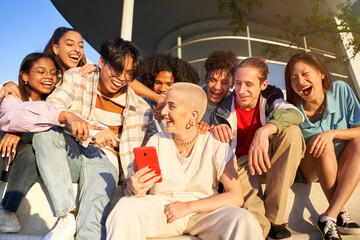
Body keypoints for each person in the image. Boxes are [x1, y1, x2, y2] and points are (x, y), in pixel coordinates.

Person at [106, 82, 263, 240]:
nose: (164, 111)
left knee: (244, 220)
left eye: (171, 106)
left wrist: (189, 207)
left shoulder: (216, 142)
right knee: (125, 206)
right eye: (165, 104)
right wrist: (135, 188)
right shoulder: (157, 140)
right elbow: (140, 189)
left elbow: (235, 196)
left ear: (193, 115)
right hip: (163, 209)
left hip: (205, 211)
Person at [32, 37, 152, 240]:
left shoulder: (141, 109)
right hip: (71, 147)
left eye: (128, 74)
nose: (120, 78)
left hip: (104, 158)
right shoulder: (77, 78)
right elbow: (51, 107)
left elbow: (155, 143)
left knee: (94, 212)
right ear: (102, 62)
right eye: (116, 69)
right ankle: (66, 215)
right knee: (45, 134)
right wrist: (91, 130)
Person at [211, 57, 305, 239]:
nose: (242, 90)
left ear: (263, 85)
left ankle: (275, 220)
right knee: (252, 216)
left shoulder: (271, 96)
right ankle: (259, 232)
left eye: (249, 84)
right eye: (237, 84)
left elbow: (295, 114)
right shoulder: (222, 112)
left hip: (268, 156)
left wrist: (263, 131)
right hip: (241, 164)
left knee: (292, 133)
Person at [0, 52, 93, 233]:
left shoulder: (56, 101)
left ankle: (7, 211)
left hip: (25, 162)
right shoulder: (13, 95)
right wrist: (16, 129)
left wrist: (20, 133)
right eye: (41, 72)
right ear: (25, 76)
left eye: (52, 73)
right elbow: (11, 116)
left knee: (32, 151)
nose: (48, 77)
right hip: (4, 155)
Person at [285, 52, 360, 240]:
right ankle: (338, 212)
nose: (300, 81)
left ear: (321, 74)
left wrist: (333, 133)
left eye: (305, 74)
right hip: (310, 169)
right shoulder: (292, 111)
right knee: (322, 143)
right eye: (294, 78)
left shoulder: (341, 90)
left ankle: (330, 215)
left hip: (340, 161)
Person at [0, 27, 163, 105]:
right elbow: (24, 90)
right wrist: (9, 84)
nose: (76, 50)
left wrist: (157, 98)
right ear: (56, 48)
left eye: (81, 46)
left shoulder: (87, 70)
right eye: (70, 44)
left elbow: (125, 77)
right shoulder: (46, 74)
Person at [139, 52, 199, 132]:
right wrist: (157, 98)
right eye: (158, 82)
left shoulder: (185, 107)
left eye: (169, 84)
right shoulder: (145, 99)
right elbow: (129, 81)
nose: (163, 88)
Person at [201, 50, 239, 124]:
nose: (217, 87)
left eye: (224, 82)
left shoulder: (236, 103)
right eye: (213, 80)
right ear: (206, 79)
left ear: (232, 84)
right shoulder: (193, 99)